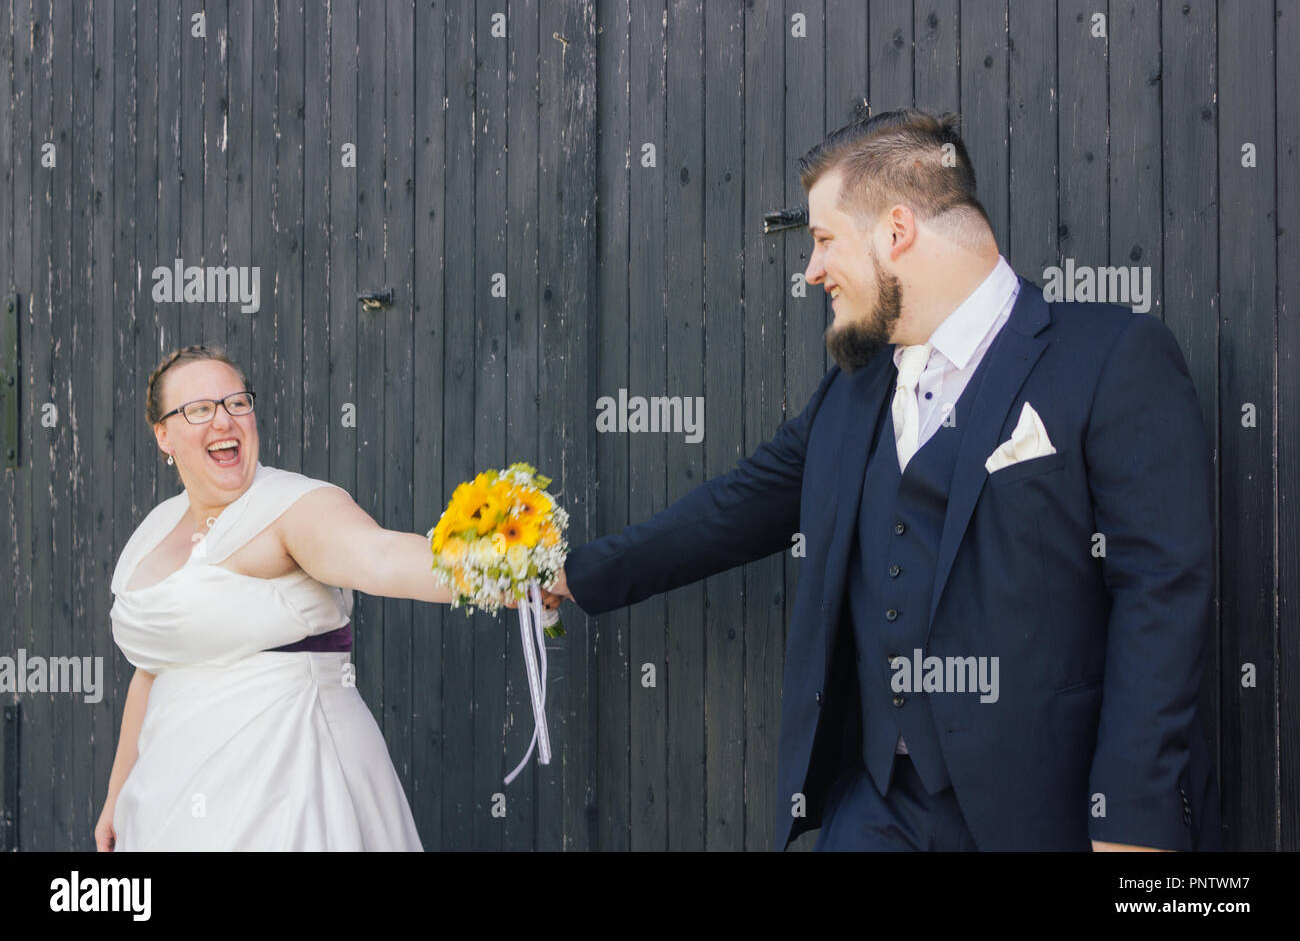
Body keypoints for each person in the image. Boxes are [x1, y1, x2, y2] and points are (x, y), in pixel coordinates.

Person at [542, 109, 1222, 851]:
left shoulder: (1111, 358)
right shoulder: (855, 391)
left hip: (1046, 813)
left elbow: (1160, 595)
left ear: (896, 230)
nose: (811, 271)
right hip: (875, 808)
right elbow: (735, 510)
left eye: (825, 240)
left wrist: (1131, 820)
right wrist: (574, 573)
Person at [97, 344, 454, 850]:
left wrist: (500, 572)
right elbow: (153, 667)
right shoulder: (155, 529)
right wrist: (117, 794)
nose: (223, 420)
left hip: (289, 783)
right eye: (198, 410)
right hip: (170, 799)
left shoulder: (293, 506)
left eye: (236, 403)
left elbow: (382, 557)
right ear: (164, 436)